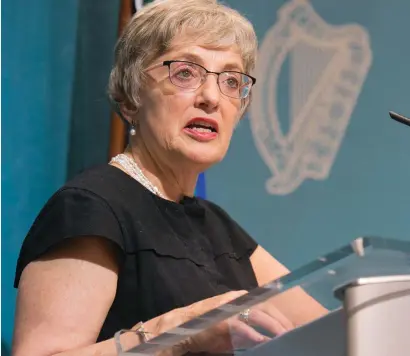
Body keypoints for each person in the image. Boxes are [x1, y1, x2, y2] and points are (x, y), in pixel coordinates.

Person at [12, 0, 327, 355]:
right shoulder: (90, 208)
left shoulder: (219, 229)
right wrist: (183, 333)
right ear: (131, 98)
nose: (211, 97)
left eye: (231, 80)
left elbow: (335, 330)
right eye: (185, 73)